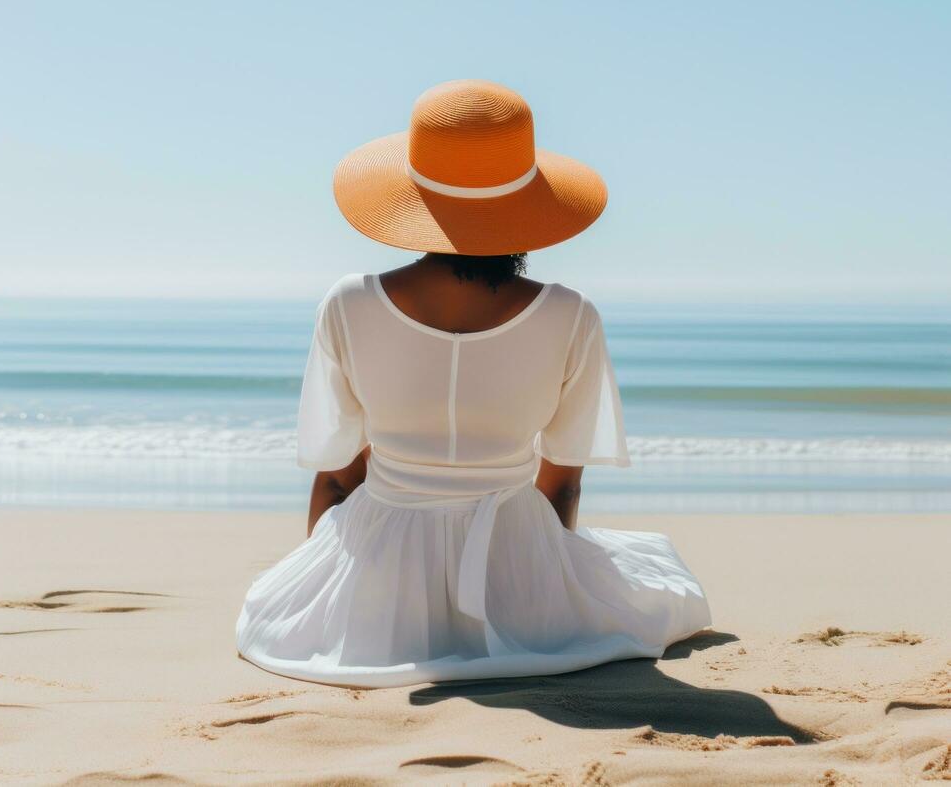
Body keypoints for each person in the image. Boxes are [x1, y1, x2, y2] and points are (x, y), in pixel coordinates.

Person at [236, 79, 711, 688]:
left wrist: (331, 584)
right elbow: (562, 484)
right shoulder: (572, 315)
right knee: (660, 579)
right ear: (528, 208)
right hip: (511, 557)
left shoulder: (349, 303)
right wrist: (538, 581)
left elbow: (335, 475)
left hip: (383, 567)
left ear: (412, 200)